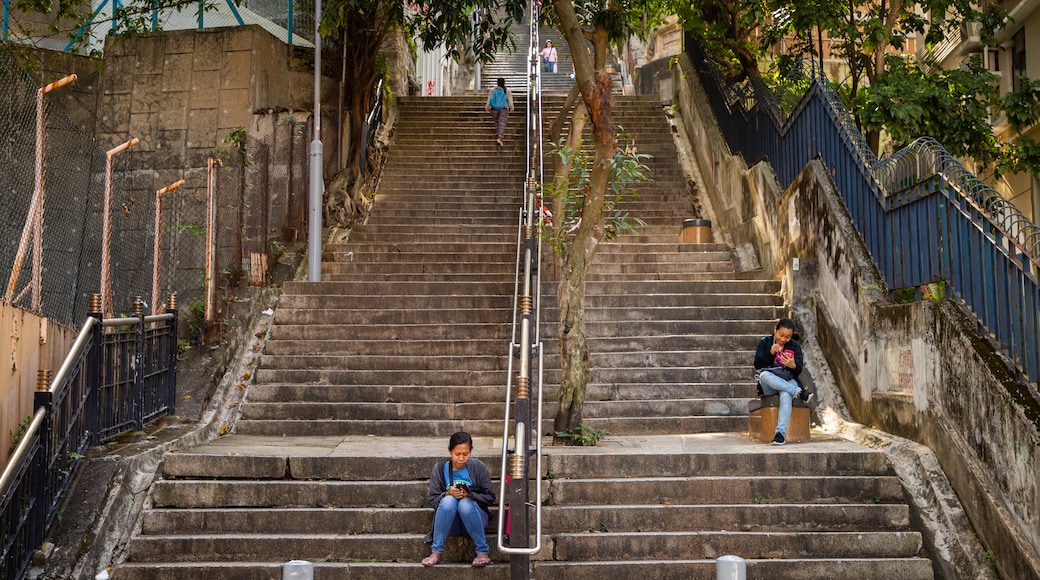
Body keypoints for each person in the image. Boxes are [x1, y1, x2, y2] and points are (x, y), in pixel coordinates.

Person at [422, 432, 495, 567]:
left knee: (465, 504)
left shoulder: (478, 467)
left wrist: (470, 495)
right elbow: (432, 500)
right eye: (457, 454)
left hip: (475, 519)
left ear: (470, 451)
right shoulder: (439, 469)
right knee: (448, 501)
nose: (461, 458)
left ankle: (482, 552)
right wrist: (447, 493)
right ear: (450, 451)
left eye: (465, 454)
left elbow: (490, 498)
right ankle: (436, 552)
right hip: (450, 523)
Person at [753, 318, 814, 446]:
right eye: (781, 335)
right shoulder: (765, 342)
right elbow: (757, 365)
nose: (783, 339)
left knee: (785, 394)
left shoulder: (795, 346)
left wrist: (793, 365)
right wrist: (770, 353)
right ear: (775, 330)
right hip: (769, 383)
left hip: (787, 380)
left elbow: (798, 370)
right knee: (763, 375)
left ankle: (780, 434)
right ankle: (798, 392)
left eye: (787, 337)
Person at [485, 77, 514, 147]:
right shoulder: (507, 90)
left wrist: (487, 106)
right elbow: (510, 99)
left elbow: (489, 98)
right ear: (504, 82)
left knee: (496, 122)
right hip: (503, 108)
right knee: (502, 123)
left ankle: (499, 135)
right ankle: (499, 137)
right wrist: (511, 107)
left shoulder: (493, 90)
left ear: (497, 82)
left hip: (494, 108)